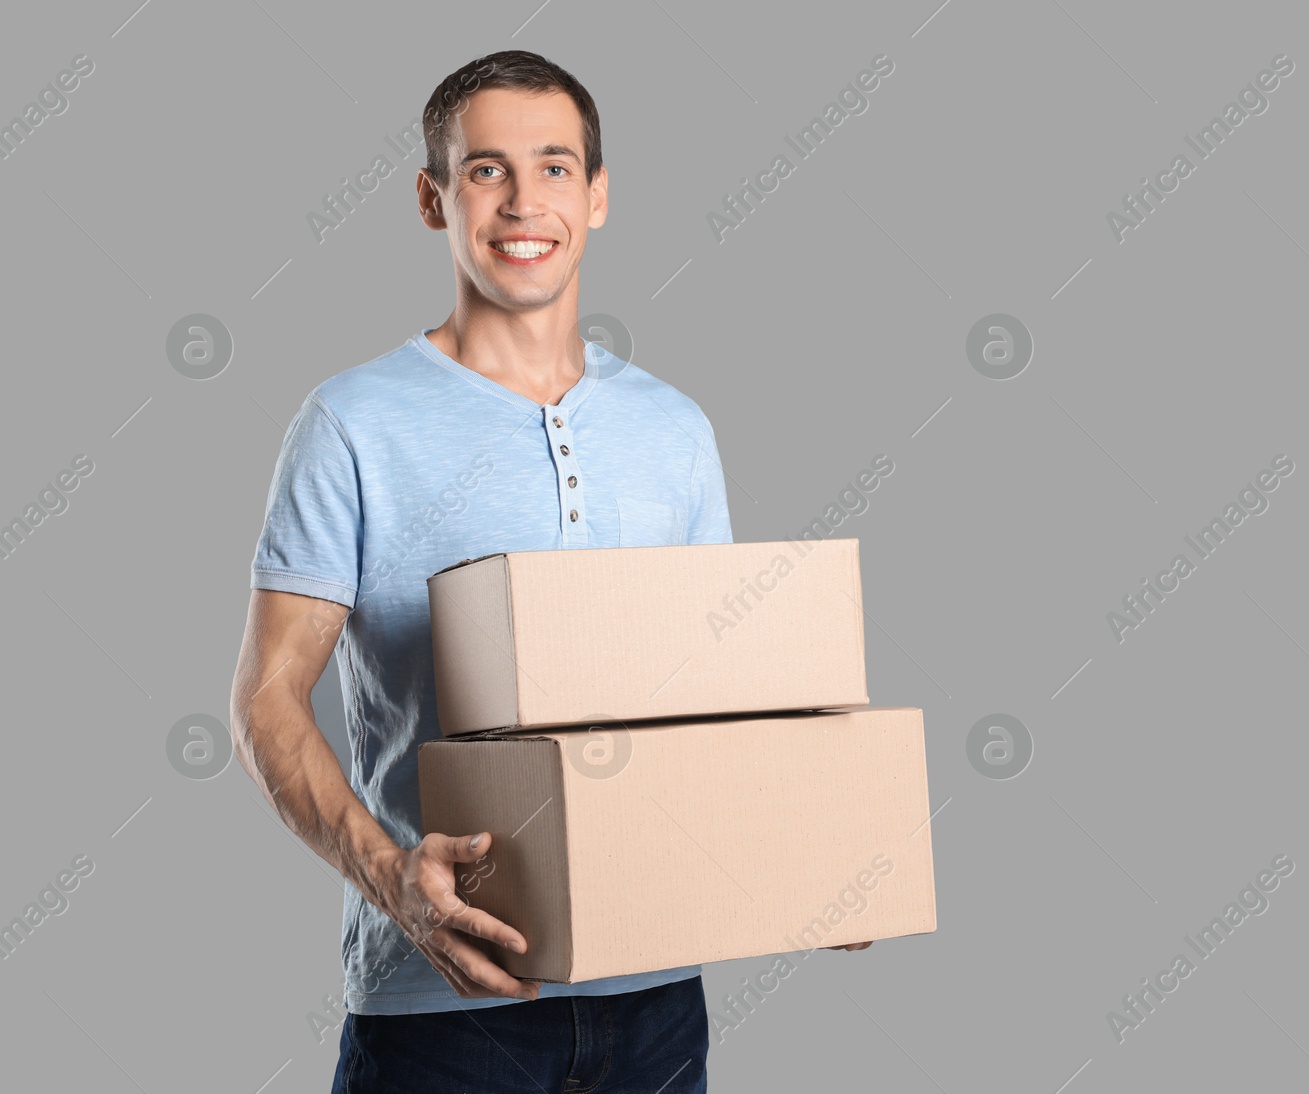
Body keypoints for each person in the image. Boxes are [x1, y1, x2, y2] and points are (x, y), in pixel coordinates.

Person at [231, 49, 872, 1093]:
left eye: (556, 167)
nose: (525, 201)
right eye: (486, 170)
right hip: (445, 1003)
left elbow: (720, 705)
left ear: (600, 194)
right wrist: (392, 878)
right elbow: (266, 698)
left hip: (656, 1001)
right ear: (432, 199)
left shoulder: (674, 428)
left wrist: (812, 862)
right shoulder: (352, 420)